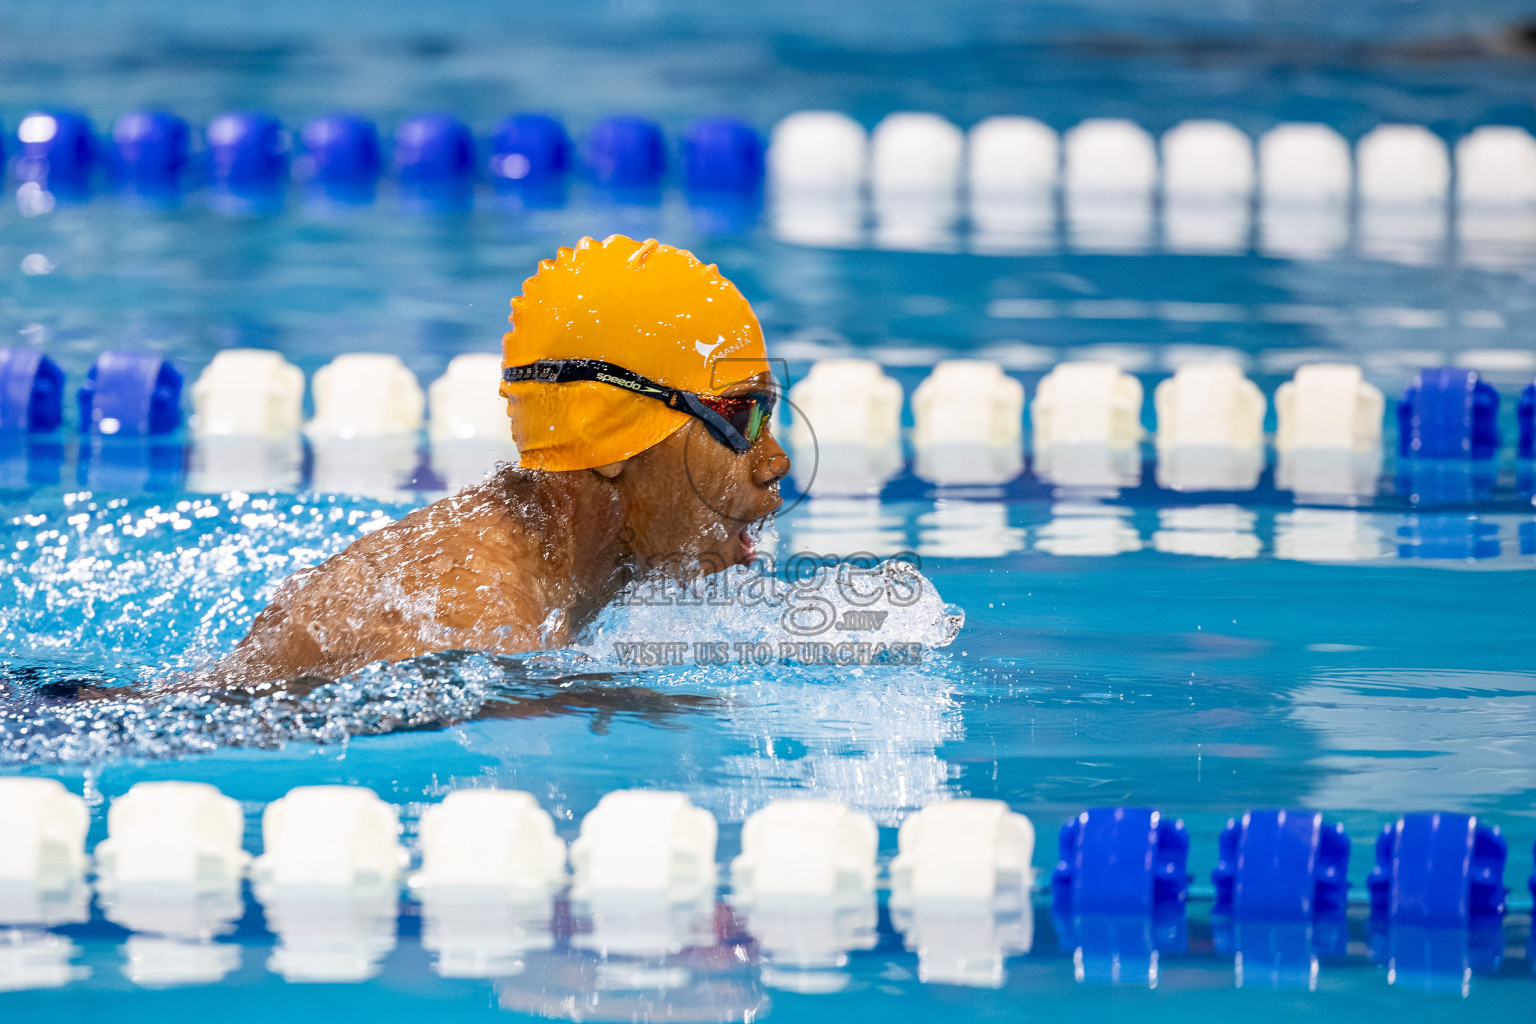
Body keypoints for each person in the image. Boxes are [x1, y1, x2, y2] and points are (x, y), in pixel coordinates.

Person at [215, 235, 790, 686]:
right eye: (743, 418)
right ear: (604, 433)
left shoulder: (542, 578)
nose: (775, 461)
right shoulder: (469, 625)